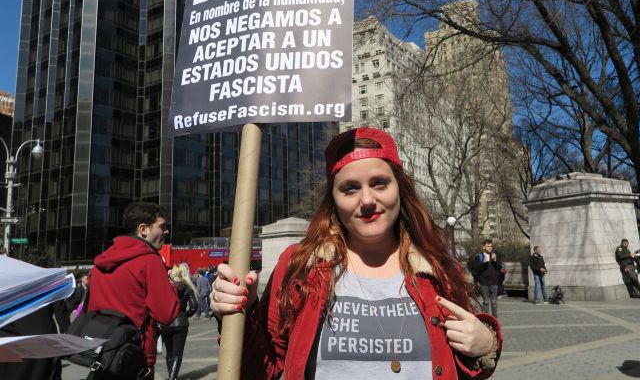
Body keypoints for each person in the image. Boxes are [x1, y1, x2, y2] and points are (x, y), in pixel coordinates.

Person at [211, 127, 501, 379]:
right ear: (333, 200)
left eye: (379, 183)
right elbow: (259, 370)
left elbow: (463, 363)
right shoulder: (301, 265)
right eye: (350, 188)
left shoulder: (436, 264)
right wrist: (241, 315)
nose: (367, 201)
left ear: (399, 188)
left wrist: (486, 343)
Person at [88, 202, 180, 379]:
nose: (166, 231)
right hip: (133, 358)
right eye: (162, 226)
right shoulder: (150, 261)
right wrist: (172, 283)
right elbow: (167, 314)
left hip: (100, 355)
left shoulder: (100, 262)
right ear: (143, 229)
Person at [0, 250, 70, 380]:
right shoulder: (51, 283)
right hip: (43, 337)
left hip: (12, 337)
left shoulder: (15, 282)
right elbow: (62, 315)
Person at [160, 264, 199, 380]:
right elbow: (193, 307)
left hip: (166, 322)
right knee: (177, 353)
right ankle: (173, 378)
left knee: (169, 353)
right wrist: (185, 315)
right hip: (181, 323)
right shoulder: (188, 287)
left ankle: (172, 377)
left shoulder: (166, 286)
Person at [468, 239, 504, 317]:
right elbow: (477, 269)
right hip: (483, 283)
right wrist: (483, 263)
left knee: (494, 302)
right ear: (484, 247)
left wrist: (495, 261)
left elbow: (499, 268)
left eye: (491, 246)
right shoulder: (479, 256)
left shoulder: (494, 255)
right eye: (488, 246)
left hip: (494, 282)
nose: (490, 248)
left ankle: (495, 320)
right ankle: (487, 320)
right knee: (486, 302)